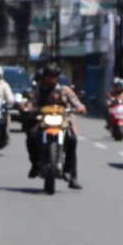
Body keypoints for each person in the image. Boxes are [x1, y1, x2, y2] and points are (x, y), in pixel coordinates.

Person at [24, 61, 87, 189]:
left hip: (62, 122)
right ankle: (35, 164)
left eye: (54, 76)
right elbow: (30, 102)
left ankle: (71, 174)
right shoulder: (39, 90)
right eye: (49, 76)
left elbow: (76, 102)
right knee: (31, 135)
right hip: (44, 121)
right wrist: (27, 108)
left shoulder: (65, 90)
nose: (51, 79)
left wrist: (80, 107)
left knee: (72, 140)